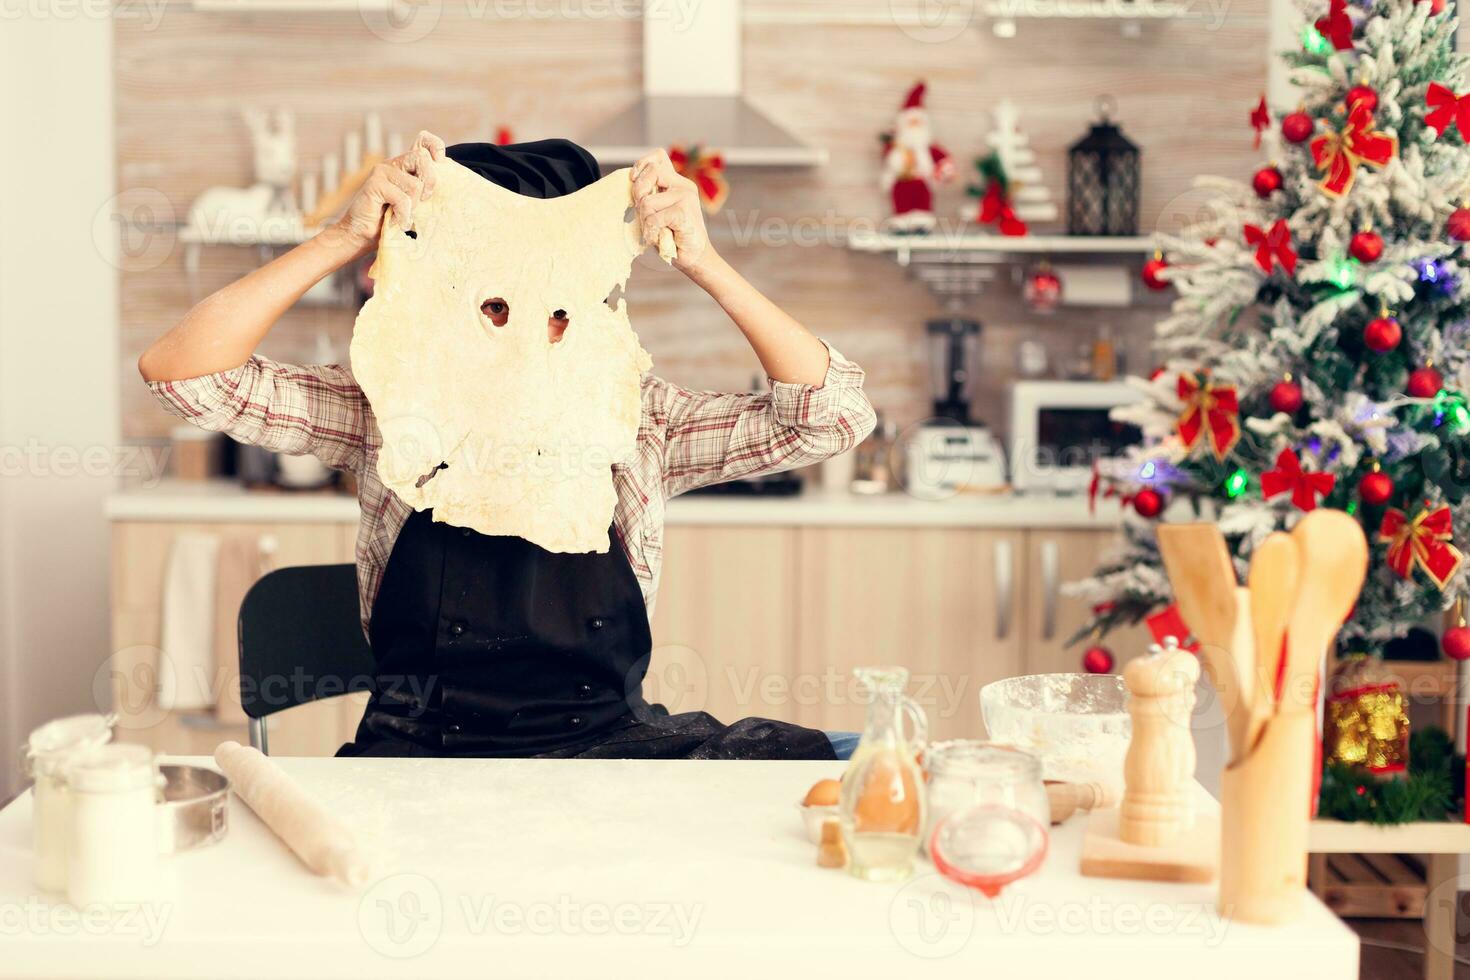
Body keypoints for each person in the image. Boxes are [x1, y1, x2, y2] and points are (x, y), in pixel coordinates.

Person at [140, 132, 876, 760]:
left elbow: (833, 415)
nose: (533, 333)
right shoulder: (389, 402)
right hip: (418, 755)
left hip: (609, 746)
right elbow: (184, 375)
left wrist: (704, 262)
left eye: (559, 306)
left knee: (854, 757)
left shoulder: (637, 417)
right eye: (495, 305)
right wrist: (342, 238)